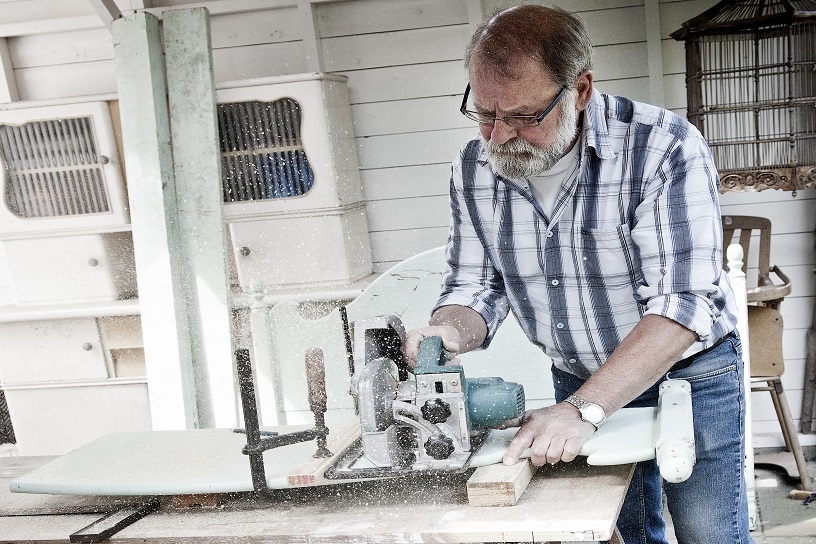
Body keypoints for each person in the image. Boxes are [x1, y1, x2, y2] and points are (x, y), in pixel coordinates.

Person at [401, 5, 752, 544]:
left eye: (521, 116)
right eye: (484, 113)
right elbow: (475, 286)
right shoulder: (474, 167)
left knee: (710, 535)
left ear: (580, 90)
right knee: (624, 531)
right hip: (576, 374)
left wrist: (584, 410)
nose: (498, 137)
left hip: (688, 374)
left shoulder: (661, 147)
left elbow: (684, 304)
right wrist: (447, 332)